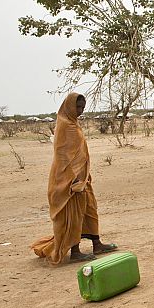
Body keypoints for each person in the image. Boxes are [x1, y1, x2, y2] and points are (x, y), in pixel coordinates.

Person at [31, 93, 118, 264]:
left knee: (90, 210)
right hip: (69, 181)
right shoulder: (64, 125)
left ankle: (97, 243)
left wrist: (84, 176)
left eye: (83, 108)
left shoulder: (73, 123)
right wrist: (73, 180)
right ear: (69, 106)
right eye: (77, 107)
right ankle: (75, 251)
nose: (80, 111)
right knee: (74, 215)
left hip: (83, 178)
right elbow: (64, 157)